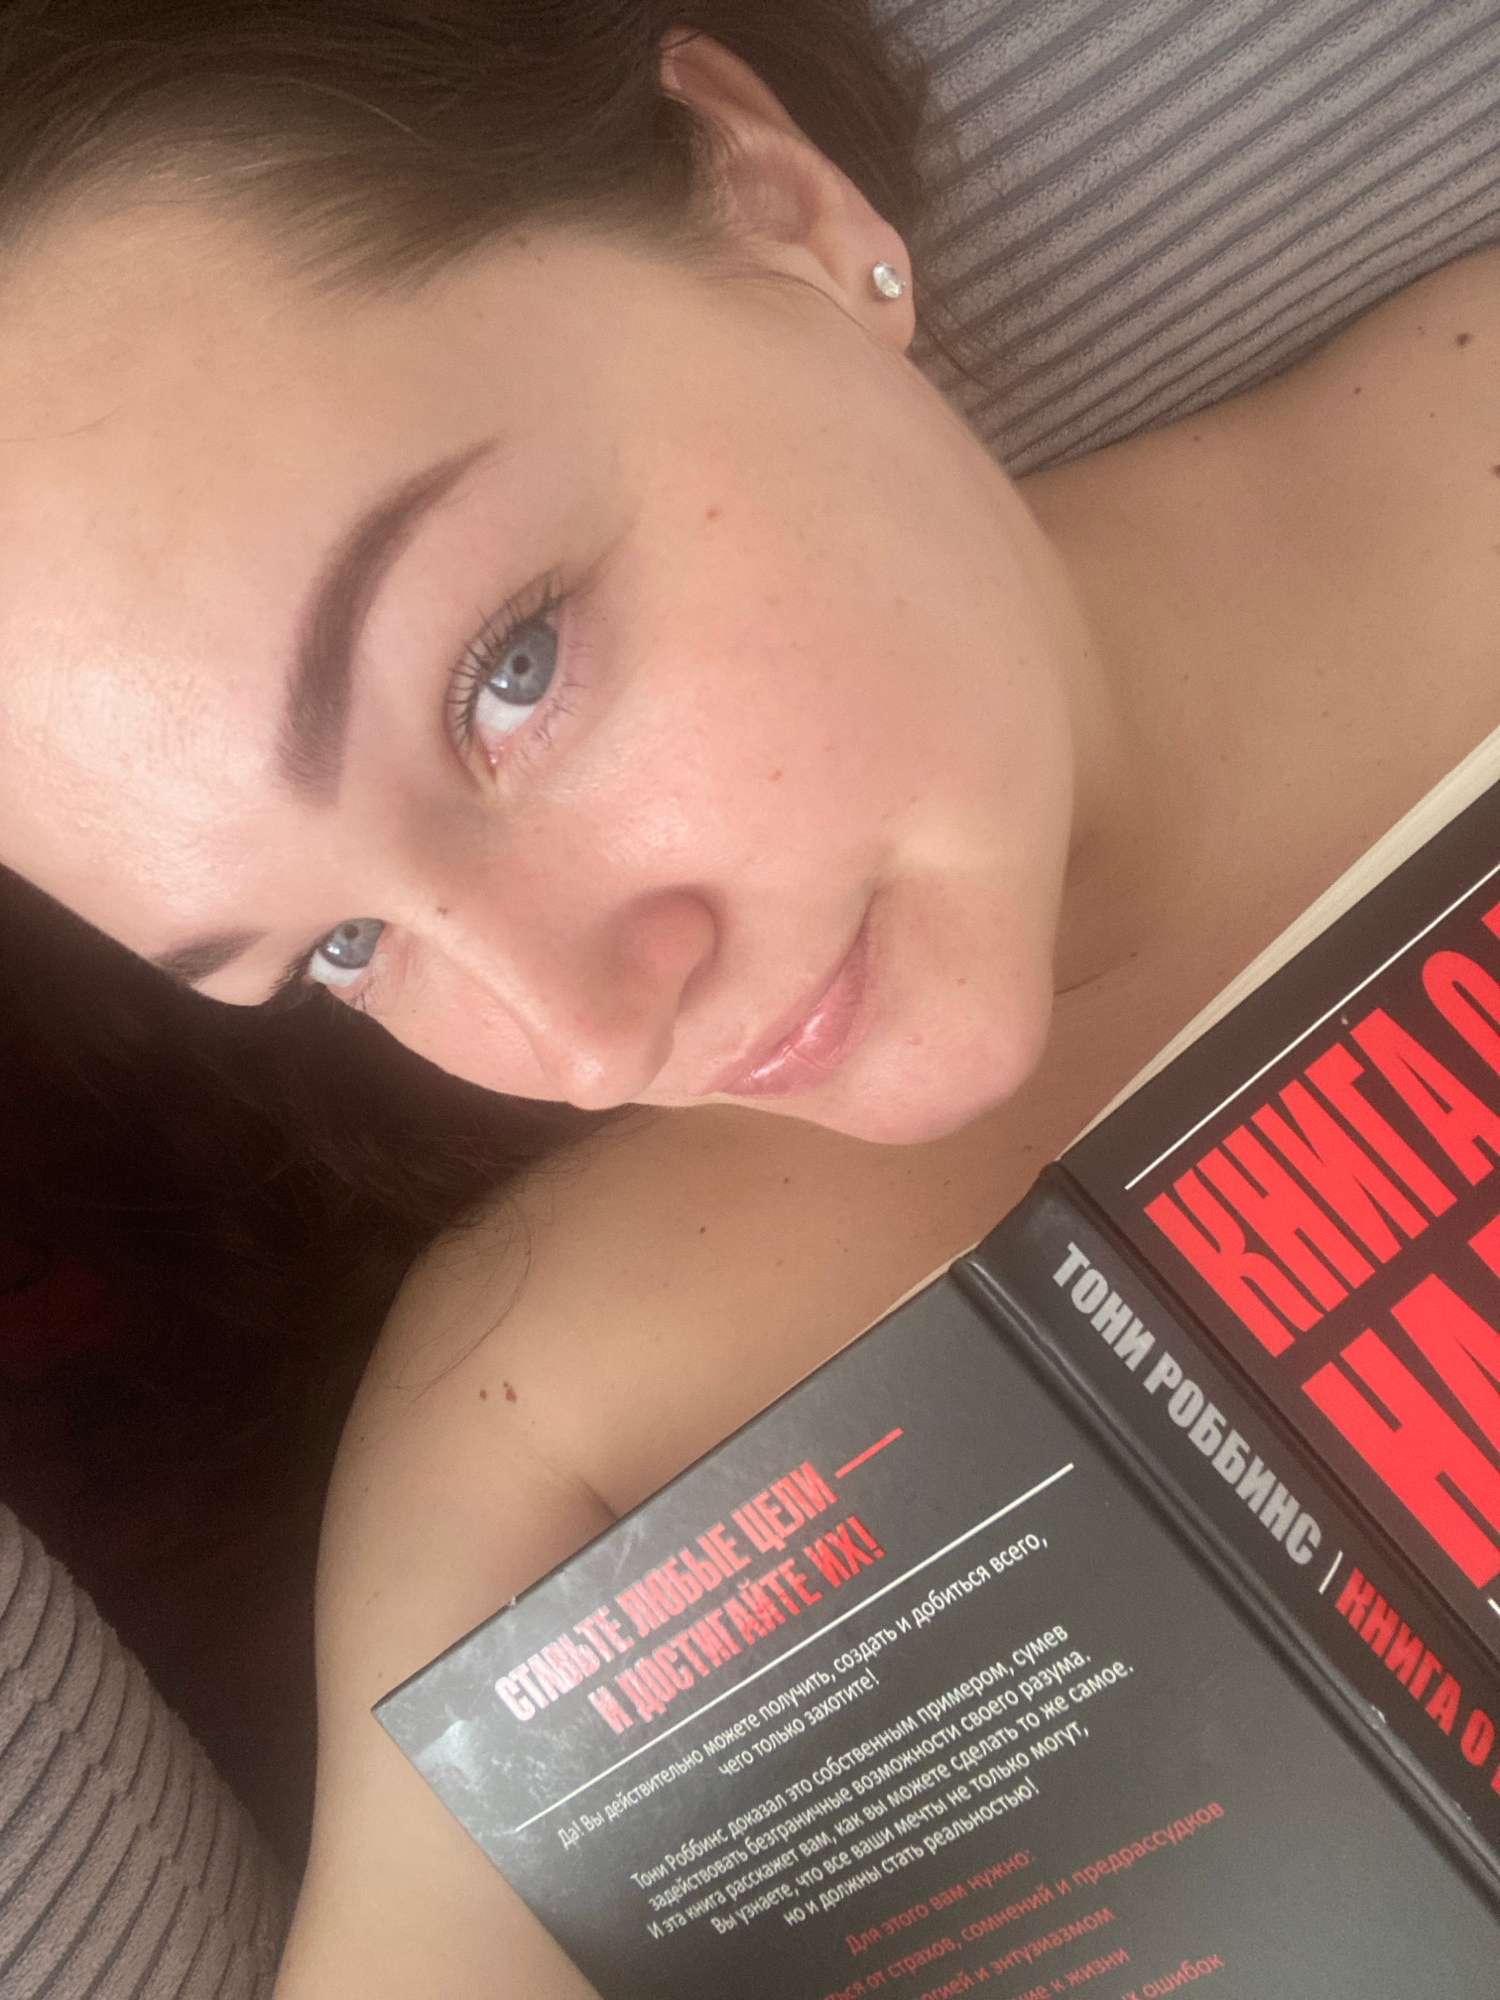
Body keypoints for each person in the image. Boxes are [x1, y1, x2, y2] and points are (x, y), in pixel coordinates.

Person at [0, 1, 1496, 1994]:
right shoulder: (553, 1443)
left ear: (772, 197)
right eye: (341, 952)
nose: (583, 1041)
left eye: (508, 673)